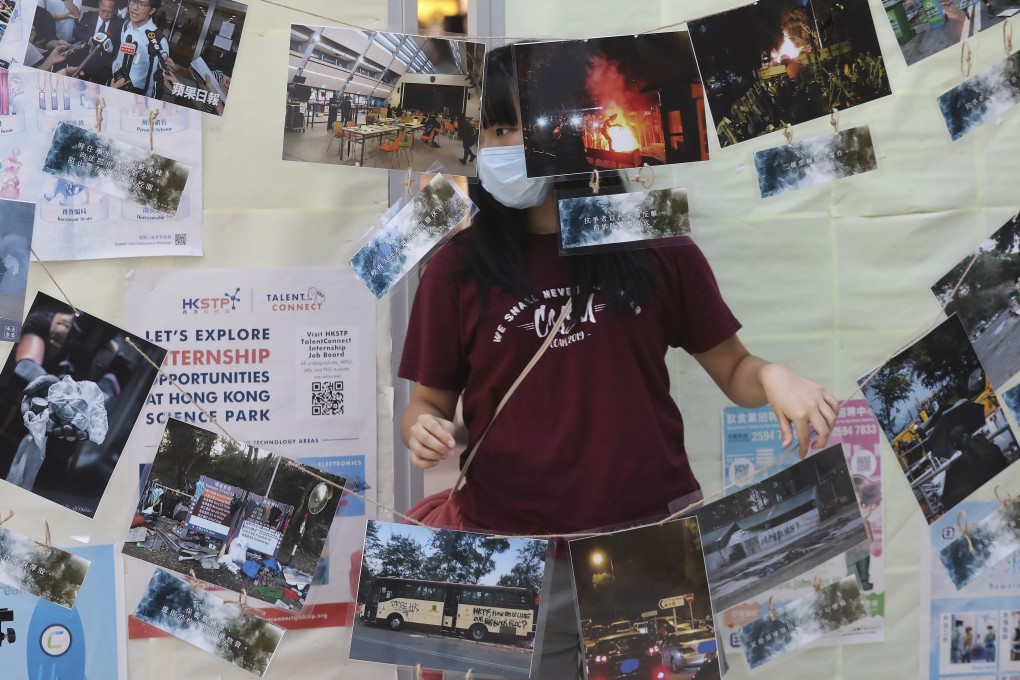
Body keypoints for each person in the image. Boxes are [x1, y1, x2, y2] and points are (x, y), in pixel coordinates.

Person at [399, 46, 839, 680]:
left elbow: (735, 368)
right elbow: (428, 402)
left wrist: (771, 376)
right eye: (496, 128)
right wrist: (421, 428)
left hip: (650, 549)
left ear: (580, 126)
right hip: (504, 558)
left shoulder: (657, 248)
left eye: (530, 122)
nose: (512, 143)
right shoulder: (455, 268)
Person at [109, 0, 172, 97]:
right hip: (114, 83)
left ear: (152, 10)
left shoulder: (158, 40)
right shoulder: (126, 26)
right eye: (133, 1)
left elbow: (155, 79)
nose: (134, 7)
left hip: (135, 94)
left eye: (142, 4)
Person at [70, 0, 123, 83]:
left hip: (105, 67)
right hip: (84, 61)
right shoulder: (88, 16)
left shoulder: (121, 23)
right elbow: (76, 32)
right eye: (103, 11)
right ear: (99, 5)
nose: (105, 15)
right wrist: (89, 39)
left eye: (109, 12)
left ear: (115, 10)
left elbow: (119, 46)